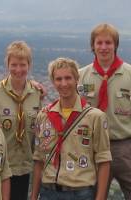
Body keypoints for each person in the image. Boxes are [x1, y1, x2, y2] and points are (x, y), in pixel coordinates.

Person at [31, 57, 112, 200]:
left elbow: (104, 161)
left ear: (77, 79)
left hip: (81, 192)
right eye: (58, 79)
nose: (64, 83)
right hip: (48, 192)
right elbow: (39, 160)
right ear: (53, 82)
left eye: (68, 78)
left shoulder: (95, 117)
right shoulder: (43, 116)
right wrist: (33, 196)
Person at [79, 23, 131, 199]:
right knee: (92, 195)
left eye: (108, 43)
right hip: (92, 147)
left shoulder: (129, 75)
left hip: (124, 146)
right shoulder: (81, 76)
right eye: (99, 43)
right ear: (92, 46)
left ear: (115, 45)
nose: (103, 47)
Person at [0, 41, 42, 200]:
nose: (18, 70)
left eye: (23, 65)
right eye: (14, 64)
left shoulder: (36, 93)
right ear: (7, 64)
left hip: (24, 165)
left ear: (29, 65)